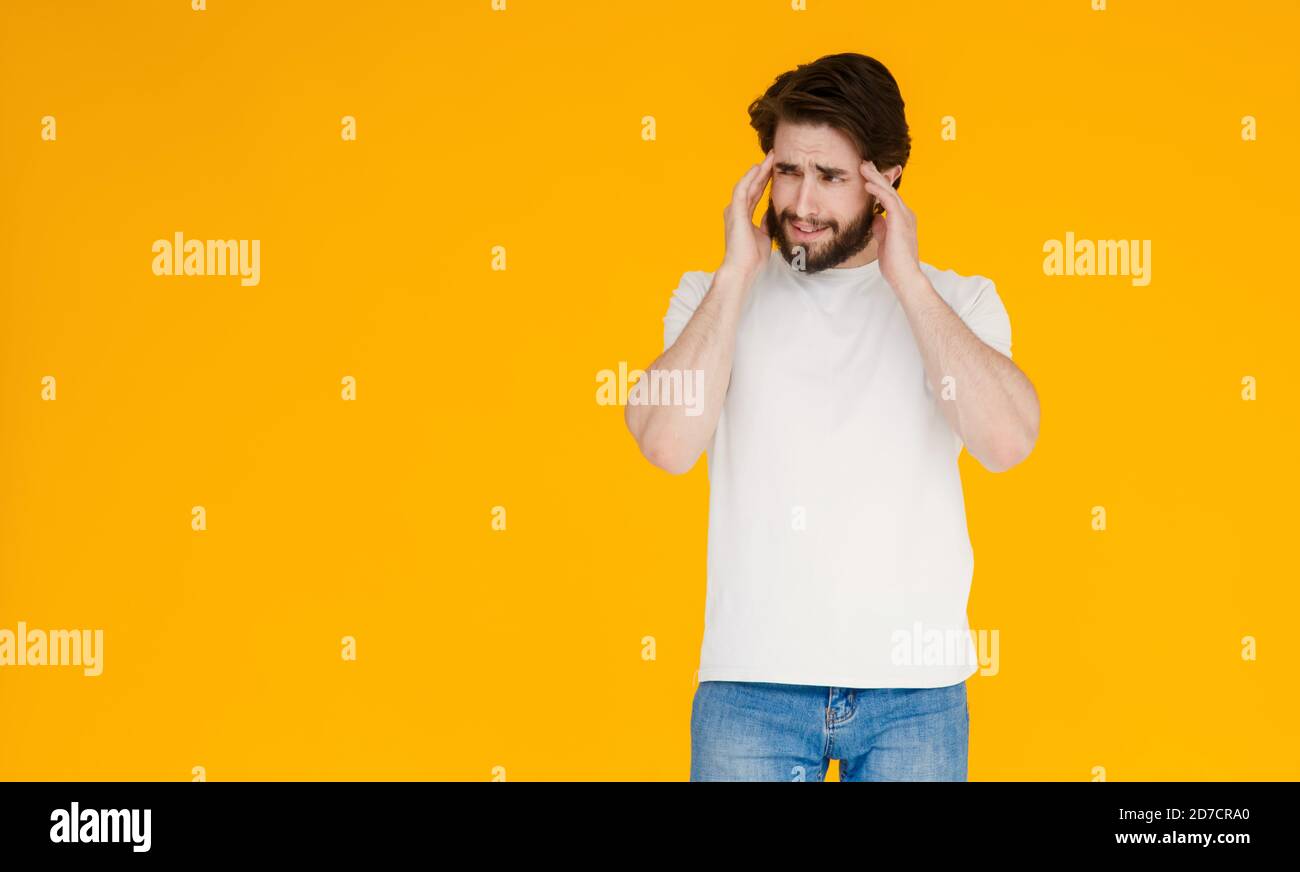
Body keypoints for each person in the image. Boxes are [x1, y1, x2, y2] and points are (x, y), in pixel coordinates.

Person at [624, 52, 1041, 781]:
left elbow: (1008, 441)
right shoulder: (715, 294)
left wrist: (905, 279)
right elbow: (665, 443)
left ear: (887, 181)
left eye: (831, 177)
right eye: (786, 171)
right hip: (750, 687)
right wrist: (733, 275)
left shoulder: (957, 301)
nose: (802, 204)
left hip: (915, 693)